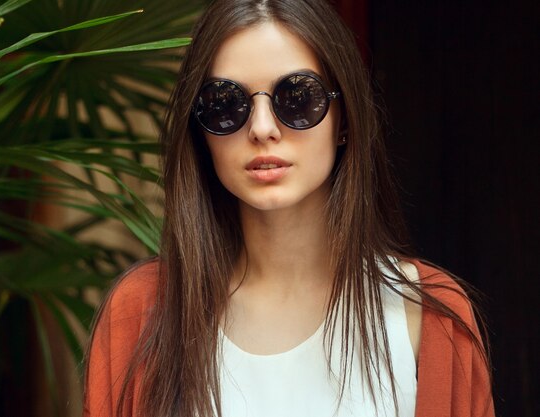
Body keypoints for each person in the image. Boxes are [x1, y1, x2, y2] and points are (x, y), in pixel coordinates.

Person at [83, 1, 494, 416]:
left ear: (345, 119)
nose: (262, 129)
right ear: (199, 131)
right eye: (227, 104)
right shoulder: (141, 311)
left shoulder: (427, 313)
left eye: (297, 98)